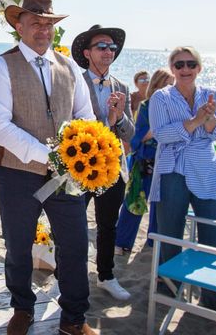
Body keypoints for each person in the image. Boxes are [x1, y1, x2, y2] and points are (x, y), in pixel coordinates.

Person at [0, 0, 97, 335]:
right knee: (18, 246)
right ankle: (22, 308)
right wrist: (52, 155)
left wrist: (78, 152)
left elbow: (85, 116)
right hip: (18, 174)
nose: (43, 29)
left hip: (65, 177)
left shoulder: (69, 66)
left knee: (75, 245)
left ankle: (74, 319)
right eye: (35, 22)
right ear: (18, 26)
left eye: (48, 24)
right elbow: (1, 127)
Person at [148, 46, 216, 314]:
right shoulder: (160, 98)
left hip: (205, 169)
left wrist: (208, 121)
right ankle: (170, 287)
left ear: (199, 67)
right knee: (169, 231)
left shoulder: (213, 96)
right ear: (172, 69)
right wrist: (196, 121)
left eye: (190, 64)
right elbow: (161, 135)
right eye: (179, 64)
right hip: (172, 169)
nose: (185, 69)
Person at [70, 24, 134, 302]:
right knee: (73, 224)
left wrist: (119, 118)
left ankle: (106, 276)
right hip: (81, 167)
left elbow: (130, 133)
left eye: (112, 47)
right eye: (102, 47)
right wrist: (104, 122)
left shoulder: (121, 87)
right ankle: (69, 274)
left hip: (112, 168)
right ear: (87, 52)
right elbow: (67, 127)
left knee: (108, 226)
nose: (109, 51)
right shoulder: (73, 83)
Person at [115, 68, 174, 254]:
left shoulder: (175, 106)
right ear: (157, 85)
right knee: (135, 202)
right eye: (168, 84)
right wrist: (159, 129)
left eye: (173, 85)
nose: (172, 88)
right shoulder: (147, 106)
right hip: (144, 161)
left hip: (165, 162)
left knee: (160, 204)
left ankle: (153, 242)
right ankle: (121, 243)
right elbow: (136, 137)